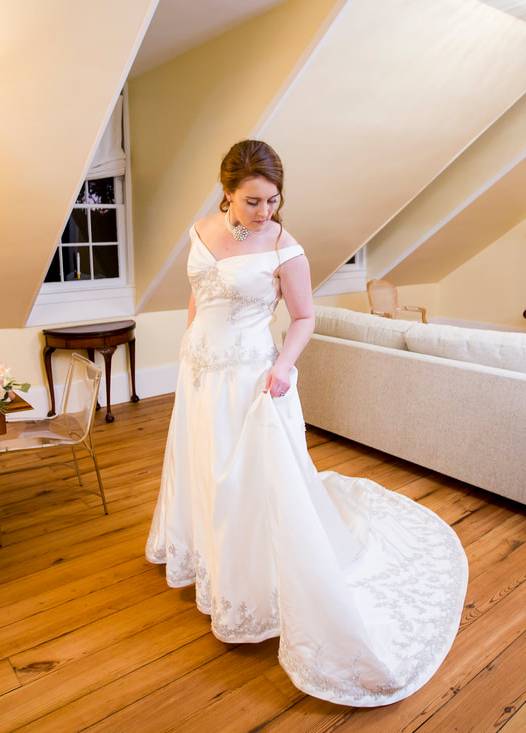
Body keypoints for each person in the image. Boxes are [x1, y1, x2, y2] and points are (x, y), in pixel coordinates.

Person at [146, 139, 468, 707]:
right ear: (226, 194)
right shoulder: (199, 229)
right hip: (201, 375)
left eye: (272, 200)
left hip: (251, 376)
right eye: (252, 202)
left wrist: (281, 367)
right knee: (202, 466)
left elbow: (303, 317)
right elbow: (197, 296)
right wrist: (187, 347)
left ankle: (249, 589)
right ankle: (206, 563)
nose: (264, 212)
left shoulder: (285, 248)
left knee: (242, 483)